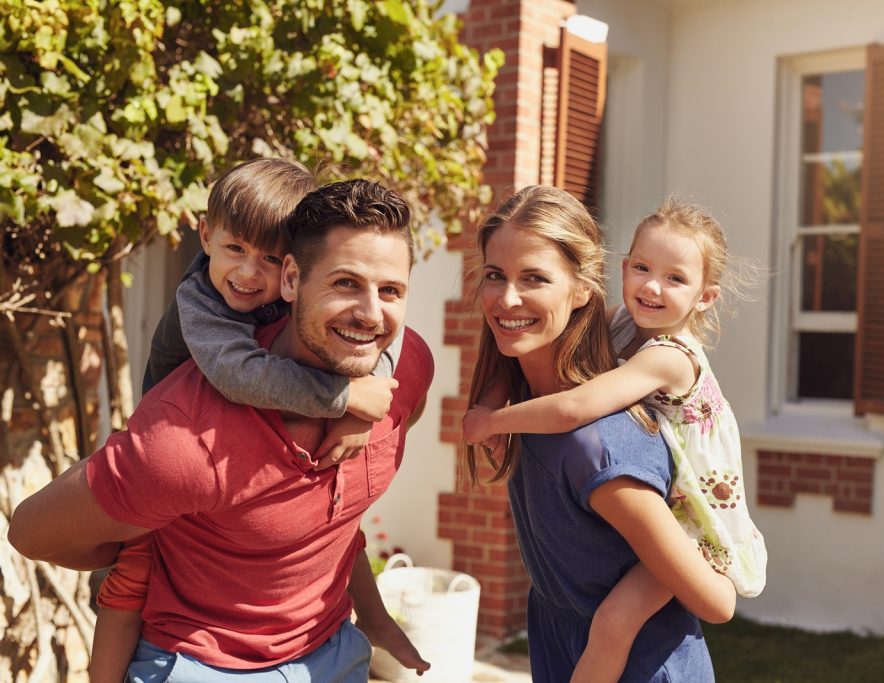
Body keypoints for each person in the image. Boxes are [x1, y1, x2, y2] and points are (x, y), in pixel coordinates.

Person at [8, 179, 434, 680]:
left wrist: (376, 619)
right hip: (203, 663)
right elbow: (32, 532)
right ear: (294, 281)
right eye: (345, 283)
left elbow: (338, 518)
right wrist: (147, 536)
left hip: (335, 651)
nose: (370, 312)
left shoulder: (406, 372)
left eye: (390, 291)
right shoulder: (186, 439)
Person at [464, 196, 766, 682]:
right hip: (563, 638)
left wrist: (492, 422)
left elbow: (572, 409)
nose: (651, 286)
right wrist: (491, 403)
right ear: (623, 269)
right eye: (642, 268)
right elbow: (517, 347)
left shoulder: (664, 362)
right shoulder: (622, 322)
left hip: (699, 516)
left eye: (675, 278)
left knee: (615, 622)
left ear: (704, 296)